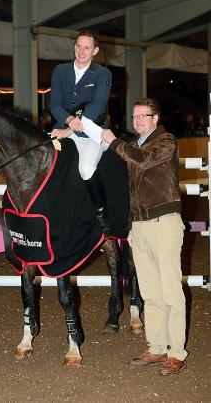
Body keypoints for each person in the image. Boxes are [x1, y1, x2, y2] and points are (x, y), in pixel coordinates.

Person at [101, 97, 188, 376]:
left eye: (143, 116)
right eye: (135, 116)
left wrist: (114, 142)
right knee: (150, 291)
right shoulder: (135, 145)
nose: (137, 120)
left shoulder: (166, 141)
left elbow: (143, 160)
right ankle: (157, 346)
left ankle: (177, 353)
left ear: (155, 119)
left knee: (171, 291)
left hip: (164, 222)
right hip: (140, 225)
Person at [50, 30, 112, 229]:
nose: (81, 51)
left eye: (87, 47)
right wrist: (67, 119)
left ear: (95, 50)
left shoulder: (103, 74)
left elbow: (97, 107)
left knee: (85, 169)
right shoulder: (60, 71)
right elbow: (55, 105)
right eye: (78, 46)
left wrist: (69, 131)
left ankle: (101, 214)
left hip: (91, 133)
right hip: (63, 128)